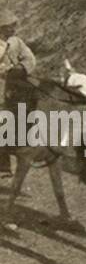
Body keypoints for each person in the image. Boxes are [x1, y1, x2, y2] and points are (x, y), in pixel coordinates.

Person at [0, 9, 37, 178]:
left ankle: (26, 147)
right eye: (9, 27)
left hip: (15, 86)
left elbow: (30, 58)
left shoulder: (16, 42)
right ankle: (3, 165)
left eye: (14, 26)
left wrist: (20, 69)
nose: (13, 30)